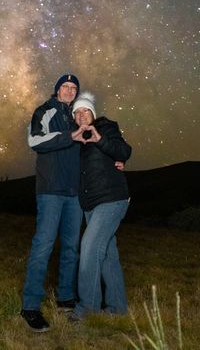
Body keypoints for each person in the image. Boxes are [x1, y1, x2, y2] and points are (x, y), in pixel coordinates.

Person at [20, 73, 83, 332]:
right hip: (50, 191)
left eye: (73, 88)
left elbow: (89, 150)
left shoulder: (77, 115)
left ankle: (65, 299)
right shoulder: (44, 111)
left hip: (74, 193)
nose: (69, 91)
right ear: (57, 89)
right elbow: (34, 141)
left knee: (71, 247)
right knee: (44, 245)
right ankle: (30, 307)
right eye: (65, 87)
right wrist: (69, 136)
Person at [70, 91, 131, 320]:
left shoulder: (105, 127)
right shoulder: (77, 139)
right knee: (107, 256)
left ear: (93, 113)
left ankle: (87, 309)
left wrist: (101, 141)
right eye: (77, 112)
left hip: (111, 200)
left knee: (89, 247)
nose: (81, 115)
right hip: (91, 205)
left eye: (85, 110)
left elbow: (124, 151)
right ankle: (118, 308)